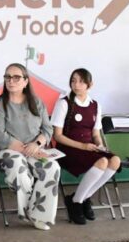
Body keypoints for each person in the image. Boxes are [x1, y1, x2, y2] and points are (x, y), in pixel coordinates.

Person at [0, 63, 60, 231]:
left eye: (16, 77)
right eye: (7, 77)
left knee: (52, 166)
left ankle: (40, 216)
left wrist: (37, 144)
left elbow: (48, 129)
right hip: (6, 151)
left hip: (33, 150)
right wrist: (25, 150)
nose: (11, 81)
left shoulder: (36, 103)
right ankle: (30, 211)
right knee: (19, 166)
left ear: (26, 81)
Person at [51, 68, 120, 225]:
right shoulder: (64, 103)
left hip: (89, 147)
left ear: (90, 84)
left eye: (81, 81)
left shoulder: (95, 105)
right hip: (68, 149)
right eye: (73, 80)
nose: (76, 85)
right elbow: (58, 136)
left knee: (115, 160)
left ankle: (80, 198)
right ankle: (77, 203)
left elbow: (96, 134)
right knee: (102, 162)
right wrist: (83, 146)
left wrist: (100, 146)